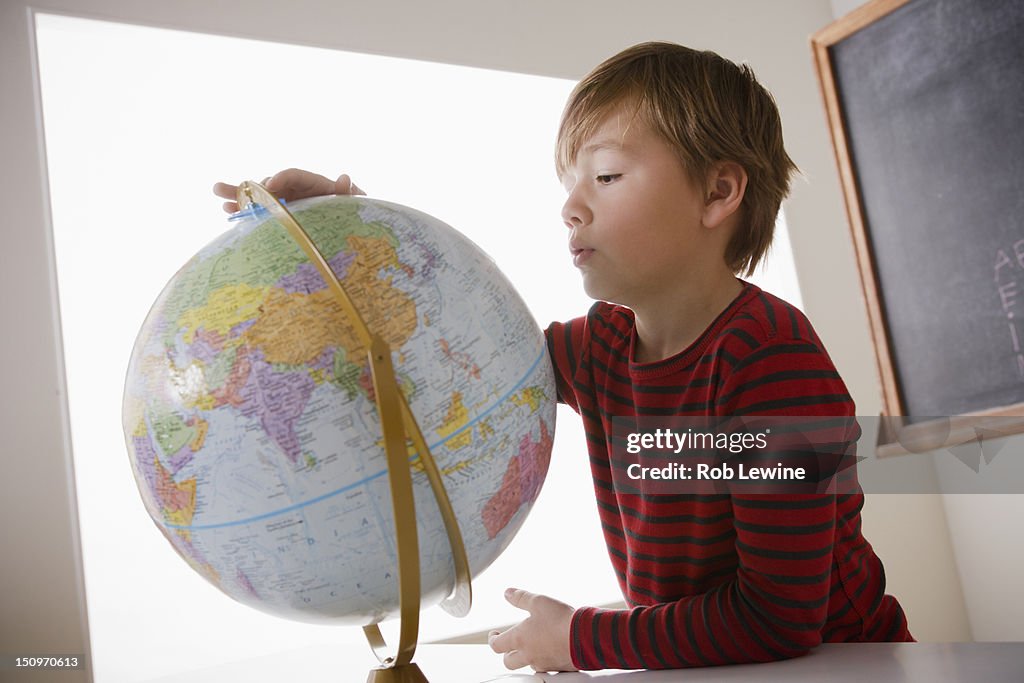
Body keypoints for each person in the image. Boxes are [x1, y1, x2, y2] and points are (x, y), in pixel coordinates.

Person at [214, 41, 912, 673]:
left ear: (718, 192)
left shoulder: (772, 362)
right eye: (570, 183)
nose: (571, 208)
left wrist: (581, 636)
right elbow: (452, 349)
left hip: (848, 664)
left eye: (606, 176)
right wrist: (342, 228)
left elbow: (775, 618)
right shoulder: (600, 346)